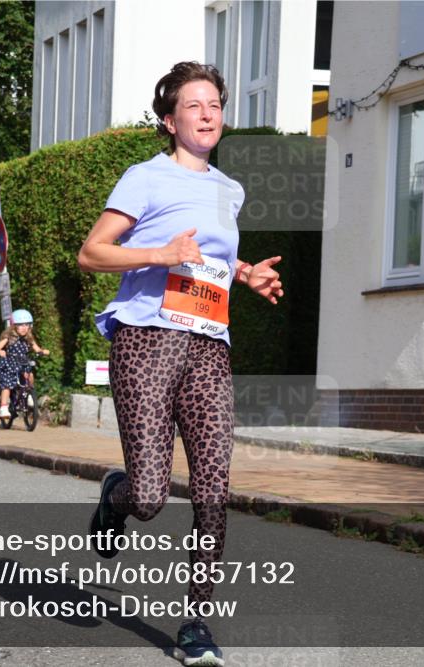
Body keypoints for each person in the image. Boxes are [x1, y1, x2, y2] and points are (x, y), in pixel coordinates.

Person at [77, 61, 284, 666]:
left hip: (208, 346)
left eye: (215, 102)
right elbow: (93, 252)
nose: (207, 112)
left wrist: (248, 275)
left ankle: (197, 623)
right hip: (146, 339)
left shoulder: (229, 189)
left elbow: (210, 261)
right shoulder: (144, 178)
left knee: (214, 489)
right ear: (170, 120)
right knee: (148, 496)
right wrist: (161, 252)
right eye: (193, 105)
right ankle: (116, 496)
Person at [0, 309, 49, 418]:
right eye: (20, 325)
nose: (24, 328)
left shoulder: (29, 338)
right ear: (14, 326)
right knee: (7, 384)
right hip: (9, 362)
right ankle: (3, 407)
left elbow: (36, 348)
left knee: (29, 375)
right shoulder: (9, 337)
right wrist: (0, 351)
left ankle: (29, 394)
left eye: (27, 325)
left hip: (23, 361)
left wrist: (42, 351)